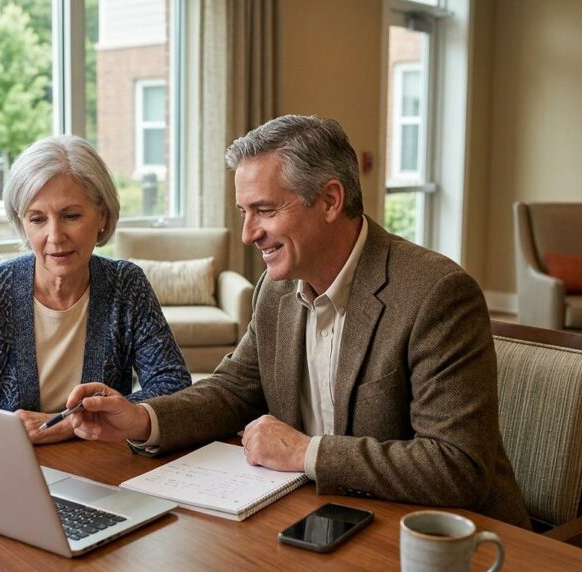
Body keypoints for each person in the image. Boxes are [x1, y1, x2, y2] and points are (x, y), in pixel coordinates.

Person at [65, 115, 531, 527]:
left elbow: (457, 466)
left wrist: (305, 452)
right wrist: (142, 419)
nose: (248, 234)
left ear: (329, 200)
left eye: (265, 210)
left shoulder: (436, 293)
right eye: (244, 212)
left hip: (449, 538)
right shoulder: (276, 290)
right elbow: (232, 391)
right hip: (325, 516)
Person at [0, 135, 190, 444]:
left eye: (71, 216)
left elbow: (173, 385)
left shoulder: (126, 285)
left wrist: (67, 424)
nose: (55, 236)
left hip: (96, 464)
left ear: (102, 216)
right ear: (22, 223)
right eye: (37, 219)